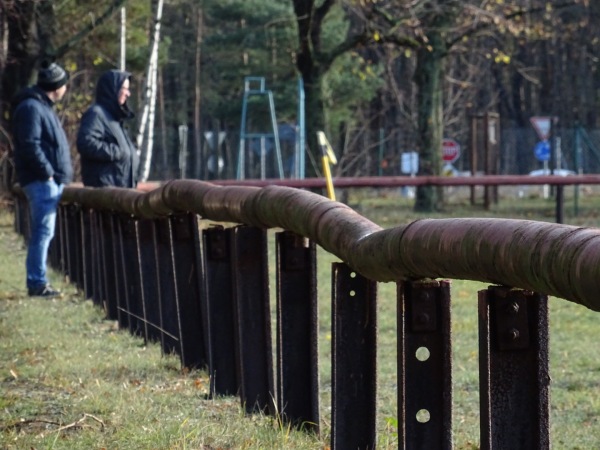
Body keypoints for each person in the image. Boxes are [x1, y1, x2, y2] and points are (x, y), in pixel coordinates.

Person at [12, 61, 73, 298]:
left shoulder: (41, 106)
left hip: (46, 180)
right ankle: (37, 282)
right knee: (42, 231)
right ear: (56, 86)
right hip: (41, 181)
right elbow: (30, 144)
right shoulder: (32, 108)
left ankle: (38, 280)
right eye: (64, 84)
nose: (66, 88)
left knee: (44, 231)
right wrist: (47, 172)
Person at [76, 70, 139, 188]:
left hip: (119, 192)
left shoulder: (114, 118)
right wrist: (116, 152)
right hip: (105, 192)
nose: (128, 94)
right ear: (112, 89)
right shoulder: (96, 114)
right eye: (124, 88)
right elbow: (85, 142)